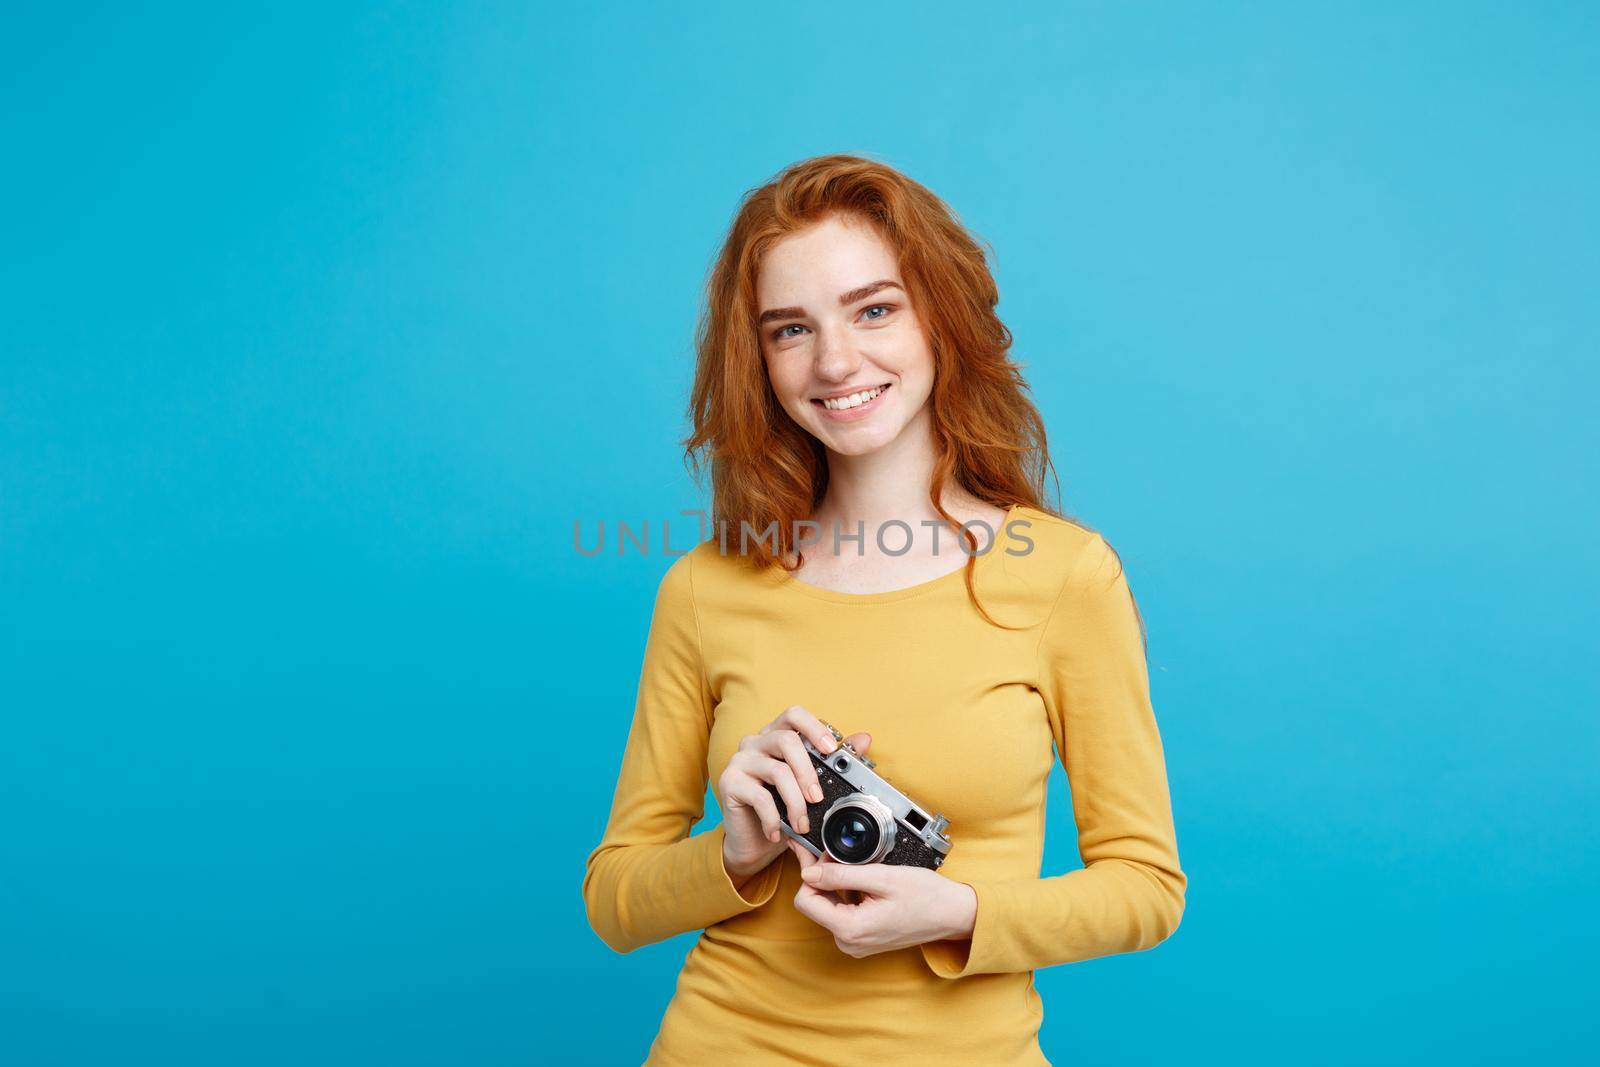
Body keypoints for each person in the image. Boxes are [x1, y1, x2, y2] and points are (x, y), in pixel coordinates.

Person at [581, 153, 1186, 1065]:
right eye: (790, 329)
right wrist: (735, 854)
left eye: (874, 309)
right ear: (759, 360)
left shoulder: (1064, 577)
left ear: (938, 316)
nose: (835, 360)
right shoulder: (705, 588)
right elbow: (614, 898)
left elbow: (1146, 887)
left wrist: (961, 912)